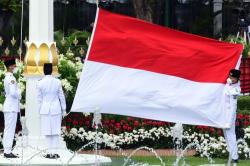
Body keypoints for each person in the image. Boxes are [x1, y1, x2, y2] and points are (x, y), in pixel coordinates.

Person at [37, 63, 66, 159]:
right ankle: (54, 152)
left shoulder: (40, 82)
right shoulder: (57, 82)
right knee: (55, 131)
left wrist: (39, 111)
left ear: (44, 71)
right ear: (52, 71)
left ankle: (50, 152)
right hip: (56, 109)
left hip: (45, 109)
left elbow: (39, 99)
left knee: (47, 131)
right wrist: (64, 109)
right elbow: (61, 96)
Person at [2, 58, 20, 158]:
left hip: (10, 106)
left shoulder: (8, 77)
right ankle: (7, 151)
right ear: (10, 66)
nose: (15, 67)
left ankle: (7, 150)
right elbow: (13, 93)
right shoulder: (11, 78)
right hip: (11, 107)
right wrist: (19, 93)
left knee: (9, 129)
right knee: (10, 129)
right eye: (14, 65)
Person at [223, 69, 241, 166]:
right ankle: (232, 155)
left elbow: (233, 107)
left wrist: (229, 122)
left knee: (231, 136)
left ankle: (235, 158)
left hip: (229, 116)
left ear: (237, 78)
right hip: (224, 114)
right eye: (230, 76)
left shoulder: (235, 89)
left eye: (233, 77)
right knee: (227, 136)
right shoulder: (229, 84)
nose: (230, 78)